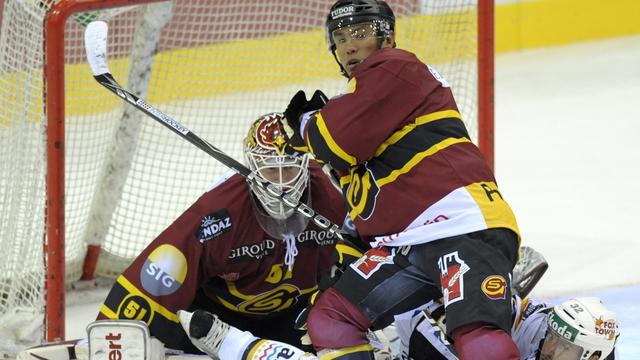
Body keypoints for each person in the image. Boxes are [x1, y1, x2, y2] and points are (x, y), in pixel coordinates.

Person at [282, 0, 522, 359]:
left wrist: (303, 124)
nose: (349, 45)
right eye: (341, 37)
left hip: (461, 225)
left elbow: (334, 142)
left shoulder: (395, 66)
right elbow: (357, 194)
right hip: (409, 242)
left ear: (387, 38)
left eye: (360, 34)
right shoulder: (365, 108)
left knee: (477, 335)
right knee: (332, 317)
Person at [97, 113, 359, 355]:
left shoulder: (333, 195)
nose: (280, 184)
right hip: (217, 320)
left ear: (305, 163)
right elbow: (166, 270)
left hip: (297, 317)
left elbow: (377, 247)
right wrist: (118, 335)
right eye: (270, 169)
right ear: (252, 166)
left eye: (289, 169)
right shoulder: (220, 212)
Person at [394, 296, 619, 360]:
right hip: (414, 319)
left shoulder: (598, 345)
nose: (549, 350)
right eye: (551, 336)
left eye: (563, 347)